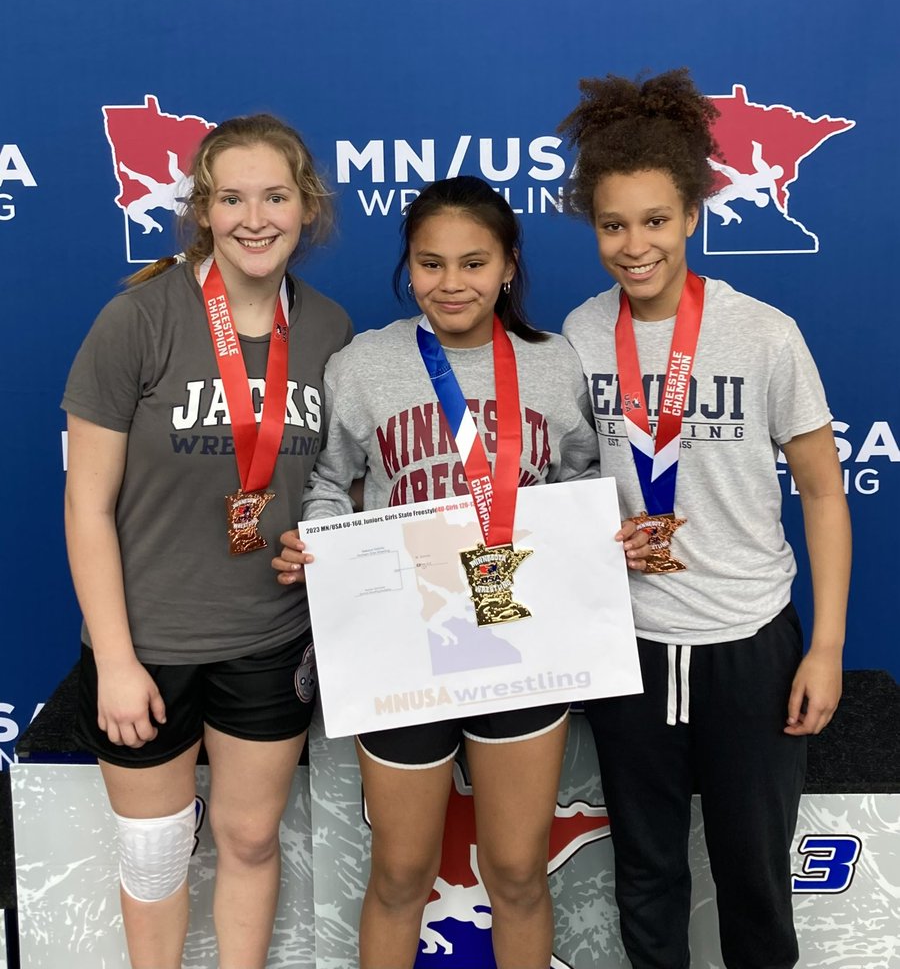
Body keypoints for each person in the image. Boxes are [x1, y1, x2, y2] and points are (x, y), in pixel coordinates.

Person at [274, 176, 647, 969]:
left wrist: (605, 534)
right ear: (408, 268)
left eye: (473, 263)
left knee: (516, 871)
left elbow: (582, 484)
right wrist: (325, 543)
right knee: (401, 872)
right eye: (430, 264)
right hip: (404, 645)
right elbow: (328, 483)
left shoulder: (552, 366)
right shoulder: (366, 364)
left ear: (508, 264)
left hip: (525, 645)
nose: (452, 283)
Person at [558, 69, 852, 969]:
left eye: (655, 220)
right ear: (593, 228)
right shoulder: (575, 333)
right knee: (645, 875)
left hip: (750, 644)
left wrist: (826, 648)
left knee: (754, 876)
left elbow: (823, 490)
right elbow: (563, 491)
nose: (634, 244)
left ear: (693, 215)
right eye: (614, 225)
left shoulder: (762, 333)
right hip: (630, 648)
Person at [63, 114, 353, 969]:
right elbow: (85, 504)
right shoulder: (139, 320)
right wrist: (115, 660)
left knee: (250, 841)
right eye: (232, 198)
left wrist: (323, 538)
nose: (254, 218)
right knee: (155, 856)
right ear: (203, 209)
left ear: (307, 208)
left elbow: (337, 486)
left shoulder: (331, 330)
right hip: (148, 644)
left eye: (275, 196)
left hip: (269, 639)